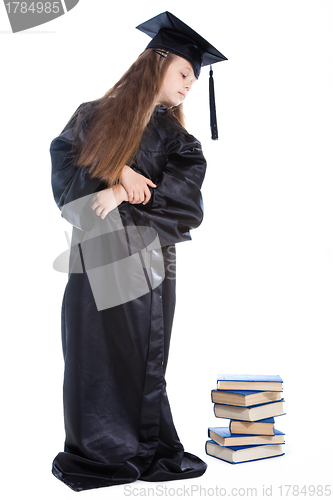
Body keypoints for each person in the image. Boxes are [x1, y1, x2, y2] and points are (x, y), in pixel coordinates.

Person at [50, 11, 227, 492]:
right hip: (93, 257)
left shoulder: (180, 142)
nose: (191, 83)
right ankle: (93, 450)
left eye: (195, 76)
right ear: (158, 61)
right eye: (185, 72)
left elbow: (186, 202)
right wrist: (117, 172)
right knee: (88, 353)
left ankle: (139, 448)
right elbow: (65, 172)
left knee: (137, 356)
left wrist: (123, 192)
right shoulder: (92, 115)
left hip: (144, 261)